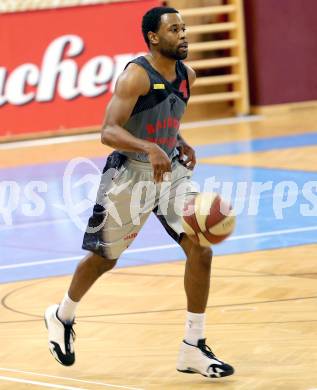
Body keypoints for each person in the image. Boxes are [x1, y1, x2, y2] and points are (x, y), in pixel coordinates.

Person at [44, 6, 234, 379]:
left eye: (184, 27)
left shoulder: (187, 75)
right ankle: (62, 315)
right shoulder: (135, 76)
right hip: (129, 174)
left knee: (201, 249)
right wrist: (149, 148)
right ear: (153, 37)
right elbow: (109, 131)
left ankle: (192, 347)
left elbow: (164, 116)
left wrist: (179, 140)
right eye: (174, 29)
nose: (183, 34)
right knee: (105, 258)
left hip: (171, 171)